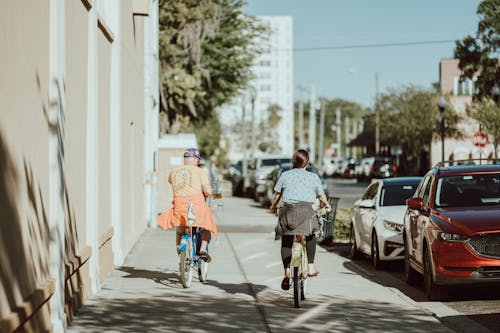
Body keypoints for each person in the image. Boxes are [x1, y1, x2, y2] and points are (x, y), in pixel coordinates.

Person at [268, 149, 331, 290]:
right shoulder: (313, 177)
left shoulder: (285, 175)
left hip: (288, 213)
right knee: (310, 235)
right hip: (307, 214)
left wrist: (272, 207)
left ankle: (287, 272)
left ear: (293, 161)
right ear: (307, 162)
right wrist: (327, 205)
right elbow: (321, 196)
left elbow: (277, 195)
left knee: (286, 239)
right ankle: (311, 267)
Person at [157, 148, 218, 262]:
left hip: (180, 206)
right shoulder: (200, 171)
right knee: (206, 226)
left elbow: (172, 182)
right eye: (198, 160)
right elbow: (208, 192)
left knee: (180, 230)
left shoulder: (174, 171)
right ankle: (203, 249)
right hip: (197, 206)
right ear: (195, 160)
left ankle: (181, 255)